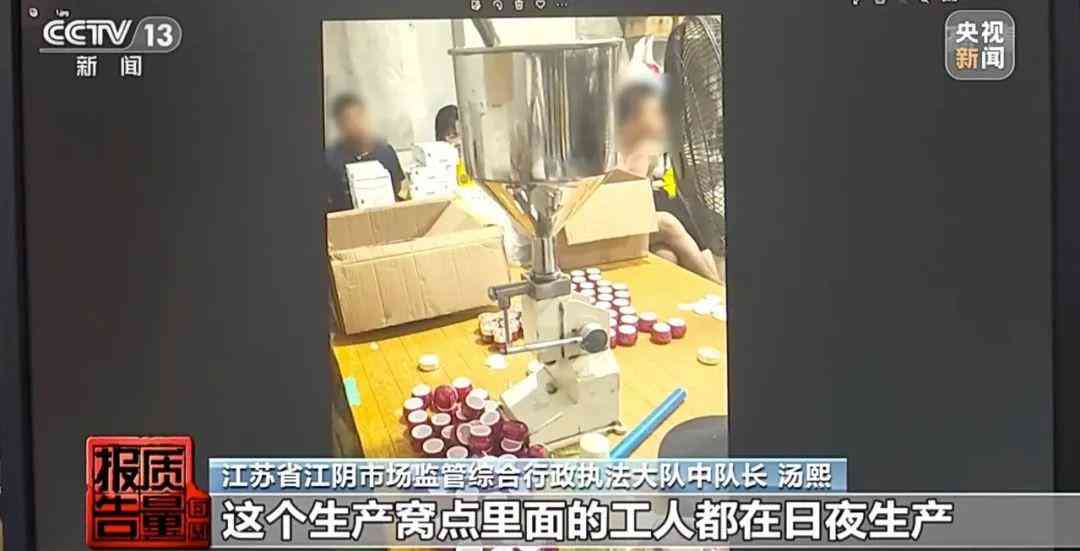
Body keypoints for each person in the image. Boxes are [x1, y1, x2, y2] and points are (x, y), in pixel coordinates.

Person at [616, 81, 721, 282]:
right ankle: (717, 288)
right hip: (614, 221)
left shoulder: (648, 148)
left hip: (641, 214)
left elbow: (648, 188)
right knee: (668, 223)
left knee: (667, 255)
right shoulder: (611, 147)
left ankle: (710, 292)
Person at [324, 93, 407, 212]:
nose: (356, 123)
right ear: (340, 125)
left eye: (360, 116)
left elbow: (398, 190)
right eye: (349, 119)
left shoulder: (386, 152)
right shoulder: (330, 159)